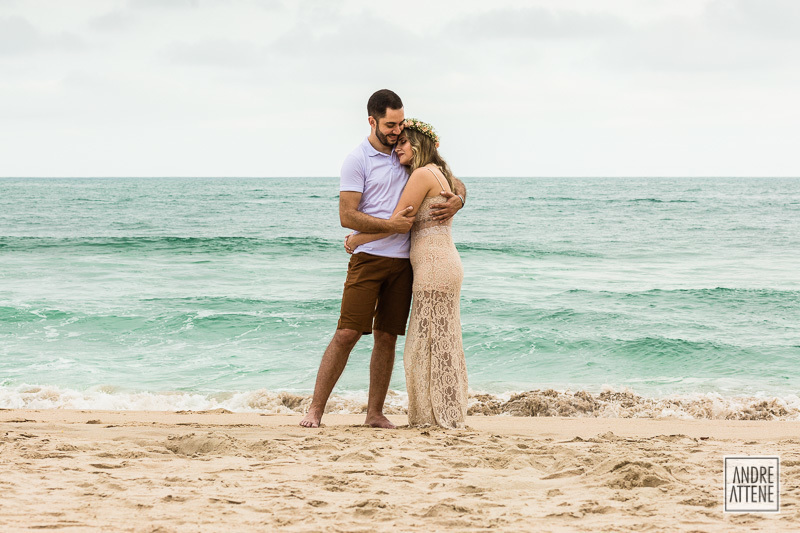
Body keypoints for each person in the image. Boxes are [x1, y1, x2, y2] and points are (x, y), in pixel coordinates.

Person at [300, 90, 466, 429]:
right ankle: (316, 409)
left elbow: (453, 179)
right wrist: (388, 227)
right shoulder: (357, 159)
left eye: (400, 124)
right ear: (372, 121)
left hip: (406, 263)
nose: (396, 131)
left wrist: (458, 200)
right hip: (369, 259)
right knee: (347, 333)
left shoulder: (407, 153)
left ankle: (374, 414)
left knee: (387, 337)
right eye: (390, 125)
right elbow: (347, 215)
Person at [344, 119, 468, 428]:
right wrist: (460, 198)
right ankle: (447, 413)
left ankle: (432, 418)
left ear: (418, 145)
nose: (397, 147)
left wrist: (357, 238)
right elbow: (458, 186)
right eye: (396, 142)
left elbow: (399, 221)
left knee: (424, 344)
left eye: (403, 143)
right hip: (444, 263)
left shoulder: (422, 175)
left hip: (432, 266)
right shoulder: (439, 173)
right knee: (441, 342)